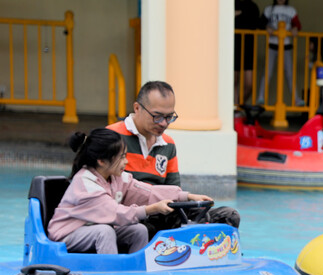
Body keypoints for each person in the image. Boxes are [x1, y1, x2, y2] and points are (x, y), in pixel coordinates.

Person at [47, 128, 213, 255]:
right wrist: (153, 209)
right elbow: (117, 213)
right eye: (121, 157)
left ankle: (137, 273)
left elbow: (147, 192)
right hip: (66, 236)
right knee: (104, 232)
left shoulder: (117, 177)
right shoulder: (86, 185)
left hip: (92, 228)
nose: (126, 162)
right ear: (102, 161)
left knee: (138, 230)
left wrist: (186, 196)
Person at [108, 81, 240, 233]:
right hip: (130, 216)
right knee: (143, 229)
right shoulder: (112, 138)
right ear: (137, 108)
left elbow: (174, 190)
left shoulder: (168, 144)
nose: (164, 123)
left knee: (227, 216)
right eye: (157, 117)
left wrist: (190, 199)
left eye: (169, 117)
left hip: (163, 212)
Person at [257, 0, 304, 107]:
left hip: (286, 46)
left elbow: (298, 25)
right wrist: (266, 27)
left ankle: (296, 99)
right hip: (272, 45)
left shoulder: (291, 10)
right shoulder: (269, 9)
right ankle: (260, 97)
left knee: (290, 73)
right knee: (267, 72)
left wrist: (295, 28)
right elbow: (260, 23)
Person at [235, 0, 262, 105]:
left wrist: (239, 13)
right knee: (234, 81)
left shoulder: (253, 6)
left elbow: (256, 22)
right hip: (234, 46)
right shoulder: (232, 3)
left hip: (248, 47)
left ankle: (238, 105)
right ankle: (235, 109)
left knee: (249, 84)